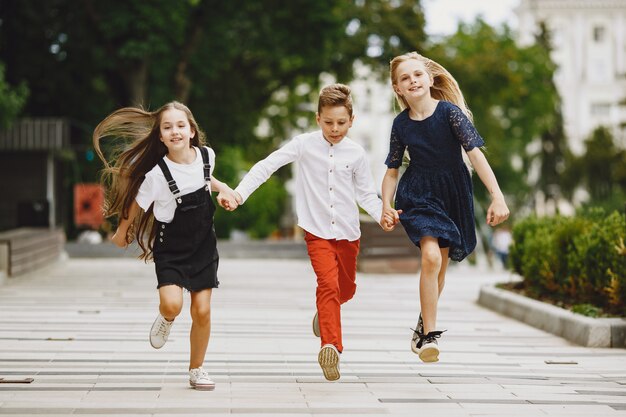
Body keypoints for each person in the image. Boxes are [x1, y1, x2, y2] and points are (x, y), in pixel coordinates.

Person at [232, 84, 395, 381]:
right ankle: (330, 345)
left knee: (346, 289)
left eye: (341, 123)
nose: (335, 129)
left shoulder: (356, 153)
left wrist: (382, 214)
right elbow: (267, 166)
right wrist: (240, 194)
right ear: (318, 118)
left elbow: (366, 195)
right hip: (317, 232)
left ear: (352, 120)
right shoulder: (303, 144)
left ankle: (325, 313)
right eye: (329, 122)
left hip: (348, 233)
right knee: (328, 285)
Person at [93, 101, 239, 390]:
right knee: (173, 304)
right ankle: (167, 317)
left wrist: (222, 188)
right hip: (170, 248)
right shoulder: (157, 175)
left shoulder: (207, 156)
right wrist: (123, 231)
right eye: (168, 127)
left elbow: (203, 178)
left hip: (203, 247)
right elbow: (135, 205)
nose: (175, 131)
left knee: (202, 311)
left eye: (181, 125)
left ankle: (197, 369)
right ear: (160, 136)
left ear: (193, 131)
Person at [381, 52, 510, 363]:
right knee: (429, 256)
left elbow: (476, 155)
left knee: (439, 263)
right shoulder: (401, 125)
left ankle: (424, 321)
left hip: (453, 192)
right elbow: (392, 169)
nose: (412, 81)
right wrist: (385, 203)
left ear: (430, 79)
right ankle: (430, 337)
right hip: (418, 193)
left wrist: (497, 196)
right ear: (398, 89)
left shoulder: (450, 114)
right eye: (404, 78)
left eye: (417, 75)